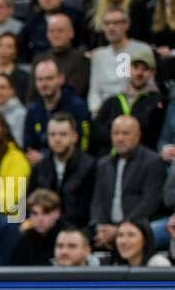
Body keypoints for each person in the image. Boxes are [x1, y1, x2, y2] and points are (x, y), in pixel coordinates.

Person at [90, 115, 166, 249]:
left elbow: (150, 202)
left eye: (125, 133)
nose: (119, 138)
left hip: (140, 228)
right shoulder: (103, 164)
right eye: (115, 133)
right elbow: (98, 201)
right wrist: (100, 227)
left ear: (138, 135)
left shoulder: (153, 161)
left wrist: (120, 229)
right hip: (108, 229)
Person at [27, 113, 96, 228]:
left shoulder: (89, 166)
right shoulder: (40, 168)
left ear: (74, 137)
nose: (57, 139)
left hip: (76, 229)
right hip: (43, 228)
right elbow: (29, 202)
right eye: (52, 135)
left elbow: (86, 210)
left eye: (63, 134)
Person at [22, 58, 91, 163]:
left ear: (61, 79)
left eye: (49, 78)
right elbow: (29, 148)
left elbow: (85, 145)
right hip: (42, 170)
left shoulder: (77, 107)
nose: (44, 84)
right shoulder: (33, 111)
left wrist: (45, 157)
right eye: (40, 80)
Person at [11, 188, 65, 266]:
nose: (40, 219)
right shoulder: (24, 240)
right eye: (35, 214)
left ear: (57, 213)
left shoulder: (69, 237)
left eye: (45, 213)